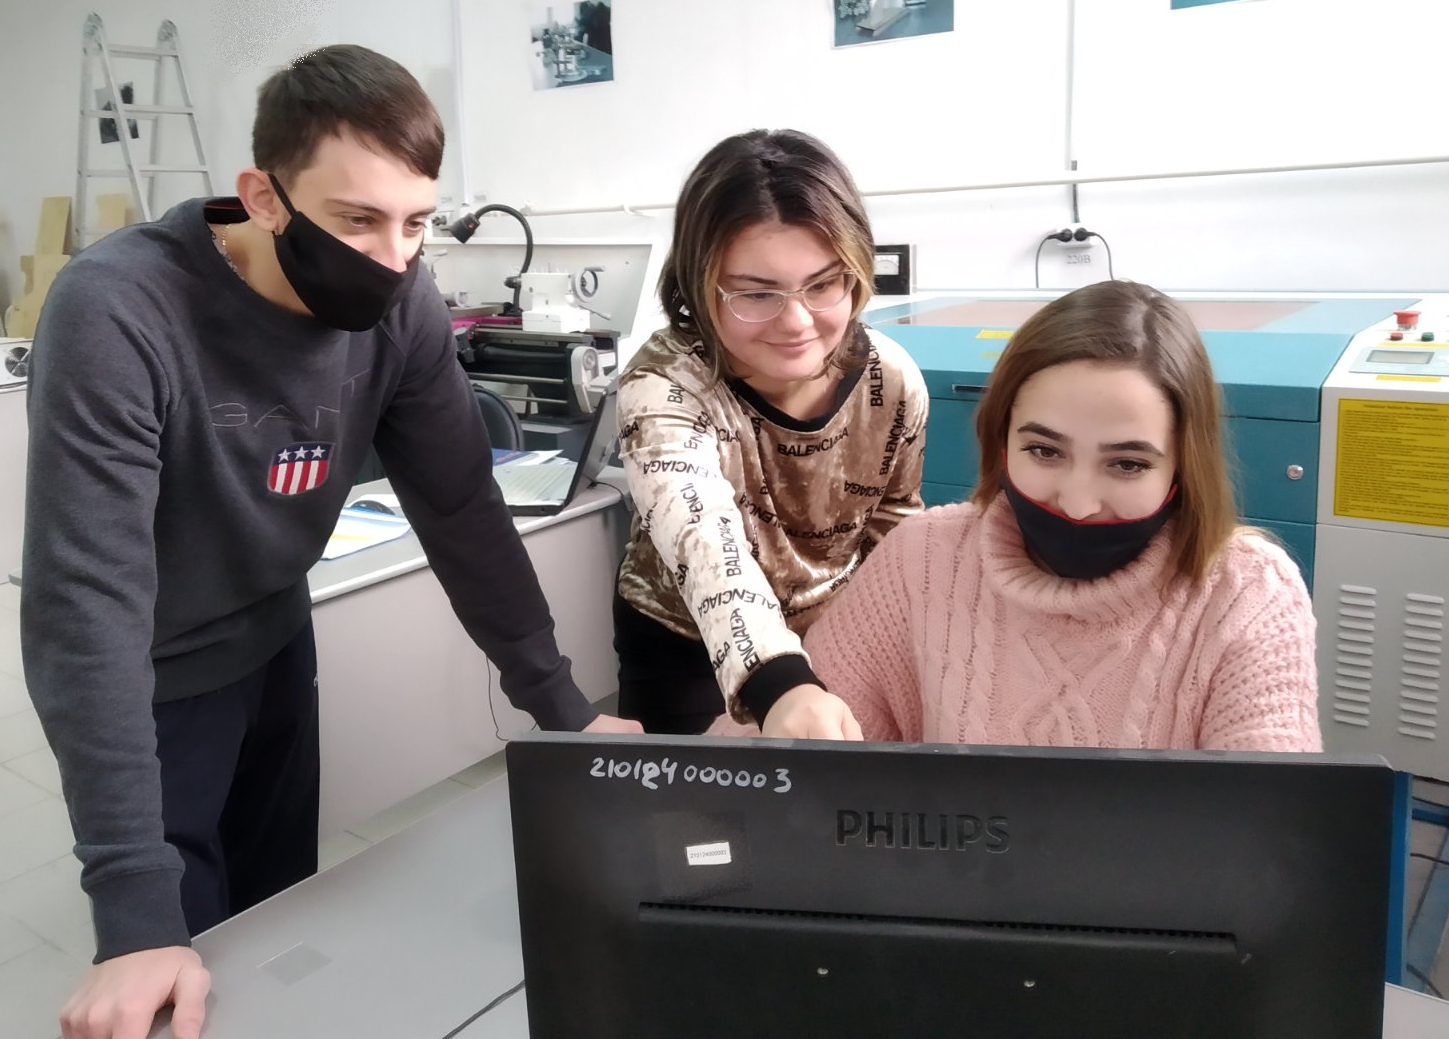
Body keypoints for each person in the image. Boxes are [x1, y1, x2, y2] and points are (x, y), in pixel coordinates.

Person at [22, 44, 638, 1039]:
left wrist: (563, 710)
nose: (392, 257)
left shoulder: (405, 303)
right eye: (356, 220)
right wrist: (133, 914)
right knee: (177, 959)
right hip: (154, 672)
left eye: (415, 223)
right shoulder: (119, 309)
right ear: (264, 197)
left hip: (276, 639)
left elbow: (461, 508)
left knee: (279, 931)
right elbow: (85, 600)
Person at [799, 279, 1321, 751]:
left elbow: (1269, 816)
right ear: (1001, 441)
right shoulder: (921, 561)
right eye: (1045, 451)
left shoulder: (1247, 593)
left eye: (1127, 464)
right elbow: (807, 758)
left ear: (1183, 464)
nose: (1077, 504)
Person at [614, 128, 928, 740]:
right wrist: (779, 682)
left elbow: (894, 527)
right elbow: (703, 540)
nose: (797, 321)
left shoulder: (889, 379)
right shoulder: (665, 384)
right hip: (685, 635)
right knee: (694, 796)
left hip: (833, 626)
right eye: (757, 294)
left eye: (824, 284)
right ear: (699, 284)